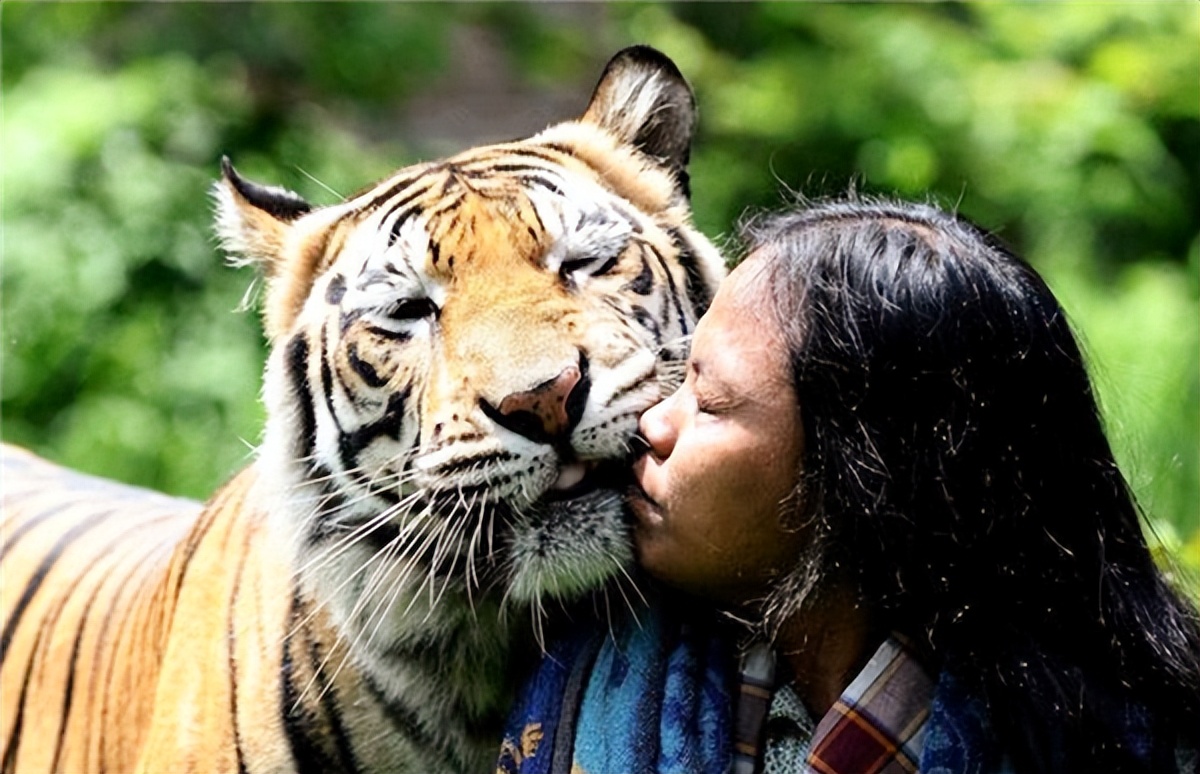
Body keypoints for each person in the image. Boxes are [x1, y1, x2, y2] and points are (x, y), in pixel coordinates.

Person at [629, 196, 1200, 773]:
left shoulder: (1130, 752)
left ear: (856, 476)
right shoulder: (604, 674)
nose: (652, 424)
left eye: (710, 401)